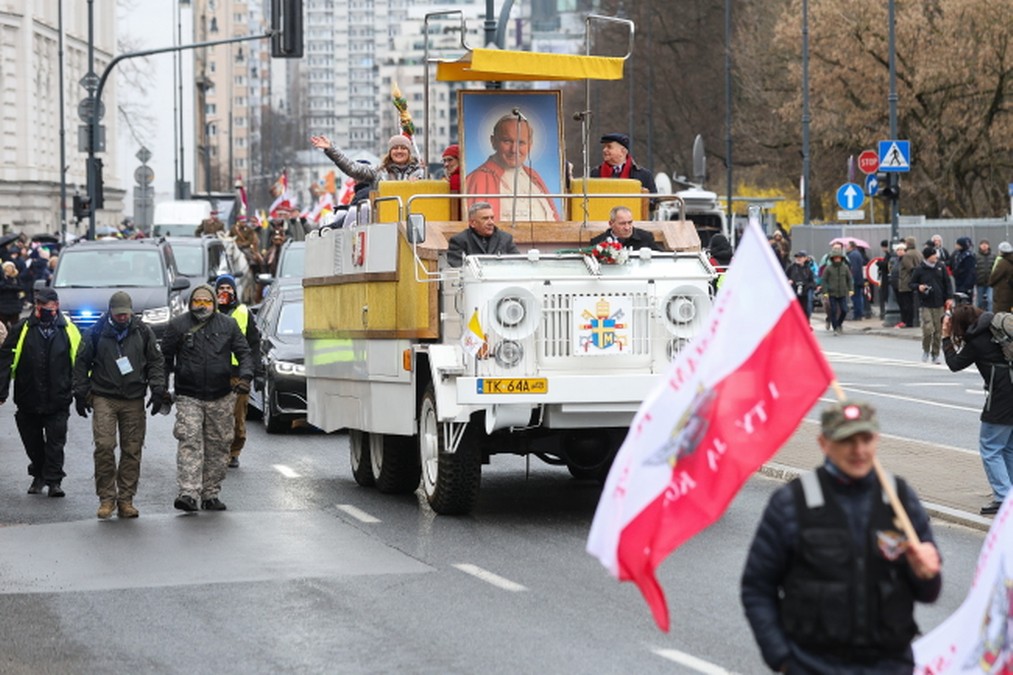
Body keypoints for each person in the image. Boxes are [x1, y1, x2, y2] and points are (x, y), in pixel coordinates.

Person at [741, 400, 942, 673]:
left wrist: (927, 574)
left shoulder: (900, 501)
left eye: (866, 439)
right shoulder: (791, 503)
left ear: (877, 439)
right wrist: (783, 658)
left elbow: (929, 592)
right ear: (824, 443)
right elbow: (757, 587)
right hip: (813, 666)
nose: (859, 450)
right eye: (847, 440)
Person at [72, 291, 165, 519]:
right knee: (104, 446)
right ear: (110, 313)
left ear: (131, 312)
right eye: (118, 314)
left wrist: (158, 388)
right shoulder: (95, 332)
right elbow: (81, 363)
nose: (122, 318)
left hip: (133, 398)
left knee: (132, 450)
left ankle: (126, 499)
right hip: (104, 395)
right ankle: (106, 498)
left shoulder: (143, 331)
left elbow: (155, 361)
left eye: (126, 314)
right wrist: (80, 391)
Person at [161, 285, 254, 512]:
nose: (202, 305)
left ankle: (211, 493)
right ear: (191, 302)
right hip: (188, 395)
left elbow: (244, 353)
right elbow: (164, 358)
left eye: (206, 301)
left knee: (219, 445)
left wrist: (246, 377)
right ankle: (189, 493)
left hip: (220, 395)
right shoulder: (178, 325)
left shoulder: (228, 325)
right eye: (197, 301)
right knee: (190, 441)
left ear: (214, 303)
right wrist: (161, 388)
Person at [0, 287, 80, 497]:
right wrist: (2, 391)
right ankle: (39, 472)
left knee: (56, 442)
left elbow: (80, 363)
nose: (42, 308)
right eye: (39, 304)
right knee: (32, 441)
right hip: (28, 397)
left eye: (46, 305)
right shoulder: (21, 329)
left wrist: (82, 392)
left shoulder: (69, 330)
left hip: (58, 397)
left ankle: (54, 481)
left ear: (56, 306)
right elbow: (5, 360)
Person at [942, 304, 1013, 515]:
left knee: (990, 447)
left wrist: (946, 338)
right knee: (1008, 447)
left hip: (1001, 397)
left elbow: (954, 364)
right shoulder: (996, 329)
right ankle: (1009, 494)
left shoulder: (976, 341)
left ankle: (1002, 497)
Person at [464, 114, 561, 222]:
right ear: (493, 142)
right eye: (507, 141)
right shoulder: (479, 178)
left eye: (521, 143)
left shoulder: (533, 176)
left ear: (530, 145)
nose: (514, 149)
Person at [214, 274, 264, 468]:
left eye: (229, 288)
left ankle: (234, 452)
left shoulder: (244, 312)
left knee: (237, 417)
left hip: (238, 375)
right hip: (215, 374)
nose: (225, 291)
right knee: (216, 417)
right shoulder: (208, 311)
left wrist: (257, 373)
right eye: (221, 288)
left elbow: (254, 344)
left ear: (234, 291)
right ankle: (216, 451)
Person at [311, 134, 424, 191]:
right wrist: (331, 149)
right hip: (385, 223)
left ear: (409, 152)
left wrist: (418, 185)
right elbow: (352, 168)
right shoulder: (378, 172)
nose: (399, 151)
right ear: (390, 152)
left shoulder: (420, 173)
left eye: (403, 148)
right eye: (395, 148)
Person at [910, 246, 952, 364]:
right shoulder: (920, 269)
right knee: (928, 329)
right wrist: (919, 287)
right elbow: (911, 283)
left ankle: (935, 354)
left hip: (939, 303)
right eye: (933, 255)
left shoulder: (940, 267)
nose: (936, 257)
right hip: (926, 303)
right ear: (928, 257)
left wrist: (949, 297)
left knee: (938, 331)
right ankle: (926, 350)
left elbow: (947, 283)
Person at [447, 201, 520, 267]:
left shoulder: (505, 238)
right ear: (472, 223)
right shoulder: (459, 241)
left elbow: (519, 263)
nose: (491, 222)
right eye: (485, 218)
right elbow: (458, 266)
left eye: (492, 218)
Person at [589, 132, 657, 194]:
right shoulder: (595, 173)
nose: (604, 150)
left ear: (623, 151)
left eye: (609, 147)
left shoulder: (644, 175)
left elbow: (653, 200)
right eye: (604, 147)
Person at [589, 205, 662, 251]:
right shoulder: (598, 242)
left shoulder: (646, 237)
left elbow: (659, 259)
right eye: (622, 224)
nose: (627, 227)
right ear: (611, 224)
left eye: (630, 222)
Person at [821, 245, 853, 335]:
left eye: (839, 258)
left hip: (842, 293)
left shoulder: (845, 268)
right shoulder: (828, 268)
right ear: (832, 259)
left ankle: (839, 324)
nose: (837, 259)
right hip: (832, 293)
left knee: (844, 310)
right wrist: (825, 292)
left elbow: (849, 279)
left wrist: (851, 289)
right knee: (833, 310)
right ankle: (835, 328)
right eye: (835, 258)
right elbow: (824, 280)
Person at [897, 236, 922, 328]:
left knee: (907, 304)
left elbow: (910, 268)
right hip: (917, 282)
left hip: (907, 282)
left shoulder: (907, 255)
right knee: (914, 303)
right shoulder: (918, 253)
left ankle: (909, 322)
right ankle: (915, 320)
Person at [785, 251, 816, 320]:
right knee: (794, 309)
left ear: (805, 258)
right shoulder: (791, 267)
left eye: (800, 257)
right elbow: (784, 277)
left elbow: (812, 282)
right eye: (797, 257)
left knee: (806, 309)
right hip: (793, 291)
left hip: (804, 292)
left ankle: (806, 323)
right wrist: (789, 281)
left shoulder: (808, 269)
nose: (798, 259)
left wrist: (808, 286)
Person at [989, 241, 1013, 313]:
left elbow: (994, 277)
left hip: (1002, 293)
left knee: (1000, 314)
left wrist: (990, 282)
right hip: (1010, 291)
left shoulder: (1002, 263)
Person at [846, 241, 867, 320]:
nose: (846, 247)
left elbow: (853, 268)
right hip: (859, 279)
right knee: (858, 296)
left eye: (847, 246)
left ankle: (858, 314)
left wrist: (851, 279)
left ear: (851, 246)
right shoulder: (857, 254)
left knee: (855, 298)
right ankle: (860, 313)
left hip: (855, 280)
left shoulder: (852, 255)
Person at [0, 261, 24, 330]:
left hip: (14, 305)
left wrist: (9, 287)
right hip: (3, 306)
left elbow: (21, 287)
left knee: (15, 325)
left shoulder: (16, 278)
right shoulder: (2, 279)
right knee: (3, 326)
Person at [975, 238, 996, 312]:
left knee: (990, 301)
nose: (984, 246)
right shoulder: (976, 256)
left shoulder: (993, 256)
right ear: (980, 246)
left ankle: (990, 316)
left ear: (988, 246)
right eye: (982, 244)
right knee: (979, 302)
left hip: (990, 282)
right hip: (980, 282)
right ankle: (978, 315)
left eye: (986, 244)